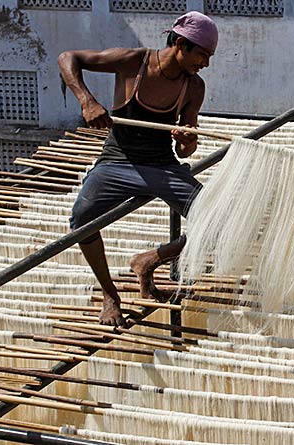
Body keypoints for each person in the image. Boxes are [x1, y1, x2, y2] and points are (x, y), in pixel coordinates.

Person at [58, 11, 218, 326]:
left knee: (217, 220)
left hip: (161, 165)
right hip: (117, 161)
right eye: (203, 54)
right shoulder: (133, 62)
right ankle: (110, 296)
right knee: (81, 219)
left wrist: (186, 141)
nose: (206, 63)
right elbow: (67, 58)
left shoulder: (193, 87)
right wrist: (87, 101)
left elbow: (186, 146)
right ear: (182, 44)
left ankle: (149, 260)